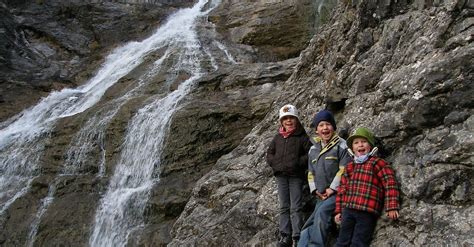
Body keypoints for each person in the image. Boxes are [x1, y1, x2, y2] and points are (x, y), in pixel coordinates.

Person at [334, 127, 400, 246]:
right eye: (356, 143)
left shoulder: (377, 163)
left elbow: (390, 183)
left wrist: (392, 206)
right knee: (342, 241)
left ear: (370, 145)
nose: (360, 145)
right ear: (352, 148)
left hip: (367, 211)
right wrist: (339, 211)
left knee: (359, 242)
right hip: (348, 209)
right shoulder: (349, 166)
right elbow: (341, 189)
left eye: (363, 142)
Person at [298, 109, 352, 247]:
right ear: (317, 130)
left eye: (328, 124)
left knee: (322, 215)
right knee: (307, 226)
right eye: (321, 125)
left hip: (337, 194)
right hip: (320, 196)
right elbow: (311, 172)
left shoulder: (342, 145)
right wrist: (314, 190)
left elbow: (344, 169)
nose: (325, 128)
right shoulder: (313, 149)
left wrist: (332, 189)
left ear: (333, 127)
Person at [267, 104, 312, 247]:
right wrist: (275, 163)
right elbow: (270, 153)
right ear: (281, 121)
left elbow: (310, 153)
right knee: (284, 206)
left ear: (296, 120)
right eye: (285, 118)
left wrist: (298, 163)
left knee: (296, 206)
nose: (288, 121)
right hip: (281, 176)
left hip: (295, 176)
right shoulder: (278, 137)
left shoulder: (302, 137)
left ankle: (297, 236)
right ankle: (285, 235)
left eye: (291, 118)